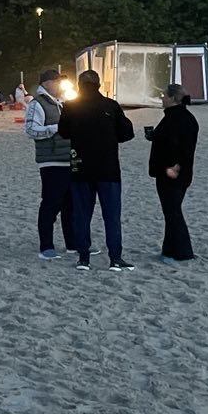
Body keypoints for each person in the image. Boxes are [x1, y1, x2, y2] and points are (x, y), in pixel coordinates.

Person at [57, 69, 136, 272]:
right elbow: (127, 133)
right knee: (111, 215)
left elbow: (63, 132)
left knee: (82, 214)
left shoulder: (71, 106)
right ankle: (115, 257)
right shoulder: (110, 105)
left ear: (79, 86)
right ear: (99, 85)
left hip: (81, 166)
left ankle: (83, 257)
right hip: (108, 167)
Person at [23, 68, 74, 259]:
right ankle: (46, 246)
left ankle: (72, 243)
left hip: (68, 160)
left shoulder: (63, 103)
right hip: (51, 161)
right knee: (51, 204)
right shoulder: (37, 104)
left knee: (70, 206)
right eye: (57, 81)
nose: (60, 85)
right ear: (47, 83)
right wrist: (56, 128)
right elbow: (30, 130)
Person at [148, 83, 199, 262]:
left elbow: (176, 146)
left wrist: (173, 167)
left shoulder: (175, 118)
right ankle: (169, 250)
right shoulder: (185, 117)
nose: (162, 99)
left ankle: (182, 252)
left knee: (172, 212)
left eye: (164, 96)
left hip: (171, 172)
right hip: (180, 172)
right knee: (172, 211)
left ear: (172, 98)